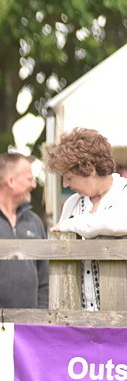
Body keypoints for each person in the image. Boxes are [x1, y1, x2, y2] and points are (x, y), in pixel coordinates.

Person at [45, 128, 127, 311]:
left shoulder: (124, 194)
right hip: (80, 315)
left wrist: (70, 224)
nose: (65, 185)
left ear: (89, 169)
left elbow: (114, 222)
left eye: (68, 178)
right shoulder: (71, 204)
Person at [0, 153, 49, 309]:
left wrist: (41, 319)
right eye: (29, 179)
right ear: (11, 181)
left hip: (27, 327)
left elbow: (45, 279)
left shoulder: (34, 222)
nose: (34, 185)